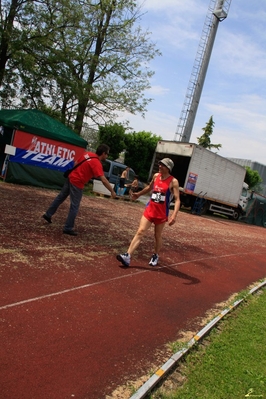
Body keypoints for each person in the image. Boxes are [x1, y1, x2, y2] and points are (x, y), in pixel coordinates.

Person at [116, 158, 180, 267]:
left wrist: (174, 215)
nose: (159, 166)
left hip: (161, 213)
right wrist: (139, 194)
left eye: (162, 165)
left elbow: (177, 199)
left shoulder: (173, 182)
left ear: (168, 168)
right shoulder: (156, 176)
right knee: (140, 231)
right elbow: (149, 188)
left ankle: (155, 255)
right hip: (150, 210)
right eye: (159, 164)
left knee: (157, 235)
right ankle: (127, 256)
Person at [42, 144, 117, 236]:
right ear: (103, 153)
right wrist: (112, 191)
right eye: (107, 154)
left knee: (60, 197)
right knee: (74, 206)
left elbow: (76, 163)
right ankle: (68, 227)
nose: (107, 156)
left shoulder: (88, 154)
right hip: (78, 183)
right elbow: (103, 180)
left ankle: (48, 214)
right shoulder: (97, 163)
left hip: (71, 178)